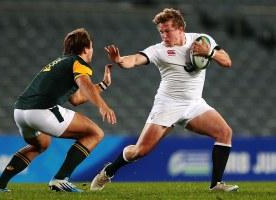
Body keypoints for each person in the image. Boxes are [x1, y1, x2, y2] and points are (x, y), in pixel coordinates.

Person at [90, 8, 239, 192]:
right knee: (139, 151)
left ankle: (216, 185)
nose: (164, 35)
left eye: (167, 30)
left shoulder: (201, 40)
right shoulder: (159, 50)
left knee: (225, 132)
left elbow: (227, 62)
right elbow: (136, 59)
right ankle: (108, 172)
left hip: (194, 104)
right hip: (167, 105)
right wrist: (121, 60)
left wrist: (210, 52)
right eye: (161, 31)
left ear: (180, 28)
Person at [0, 28, 117, 192]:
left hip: (21, 112)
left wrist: (103, 85)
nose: (92, 50)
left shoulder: (61, 62)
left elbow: (76, 99)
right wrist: (102, 105)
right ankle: (60, 179)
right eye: (91, 46)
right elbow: (84, 84)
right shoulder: (79, 63)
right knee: (95, 133)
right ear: (85, 48)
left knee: (41, 144)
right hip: (42, 110)